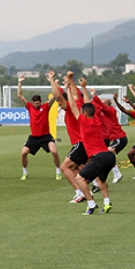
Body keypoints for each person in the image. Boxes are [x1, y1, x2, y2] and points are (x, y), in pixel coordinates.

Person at [66, 79, 115, 215]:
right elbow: (89, 105)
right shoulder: (97, 120)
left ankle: (91, 204)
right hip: (109, 156)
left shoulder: (83, 121)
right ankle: (106, 202)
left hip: (98, 156)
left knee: (80, 179)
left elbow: (72, 106)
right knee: (100, 180)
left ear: (85, 114)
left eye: (82, 111)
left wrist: (68, 89)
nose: (80, 112)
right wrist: (84, 88)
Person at [49, 72, 86, 203]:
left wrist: (52, 80)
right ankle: (86, 189)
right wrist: (70, 81)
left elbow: (57, 95)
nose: (59, 104)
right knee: (75, 167)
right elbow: (74, 92)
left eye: (60, 103)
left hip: (80, 143)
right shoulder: (79, 103)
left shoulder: (70, 107)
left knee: (64, 167)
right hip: (85, 142)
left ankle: (80, 192)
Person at [17, 73, 62, 180]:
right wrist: (20, 82)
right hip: (34, 137)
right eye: (34, 103)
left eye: (37, 103)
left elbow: (54, 96)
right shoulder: (30, 107)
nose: (36, 105)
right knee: (23, 153)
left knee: (54, 152)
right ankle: (25, 172)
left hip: (46, 136)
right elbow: (20, 96)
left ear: (40, 102)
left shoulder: (46, 107)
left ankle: (58, 171)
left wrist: (52, 81)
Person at [91, 90, 128, 183]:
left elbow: (101, 106)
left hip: (120, 138)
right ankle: (115, 174)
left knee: (107, 155)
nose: (101, 104)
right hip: (115, 138)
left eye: (103, 103)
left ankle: (116, 174)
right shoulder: (104, 113)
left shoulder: (111, 110)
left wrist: (95, 96)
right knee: (106, 156)